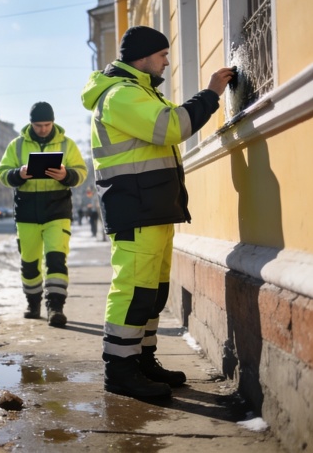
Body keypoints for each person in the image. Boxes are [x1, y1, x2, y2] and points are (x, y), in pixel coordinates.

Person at [80, 25, 234, 398]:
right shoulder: (121, 95)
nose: (167, 62)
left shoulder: (141, 93)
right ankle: (120, 371)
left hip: (150, 206)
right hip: (135, 207)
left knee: (152, 292)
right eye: (163, 55)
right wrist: (212, 93)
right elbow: (172, 128)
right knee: (133, 292)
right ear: (143, 58)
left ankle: (143, 361)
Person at [0, 102, 87, 328]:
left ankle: (55, 307)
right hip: (27, 212)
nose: (43, 129)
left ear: (53, 122)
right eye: (38, 125)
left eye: (47, 124)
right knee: (29, 262)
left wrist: (66, 174)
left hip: (58, 211)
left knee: (56, 258)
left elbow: (81, 173)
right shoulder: (16, 145)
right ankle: (33, 303)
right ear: (31, 124)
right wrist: (19, 173)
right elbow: (2, 173)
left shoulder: (67, 144)